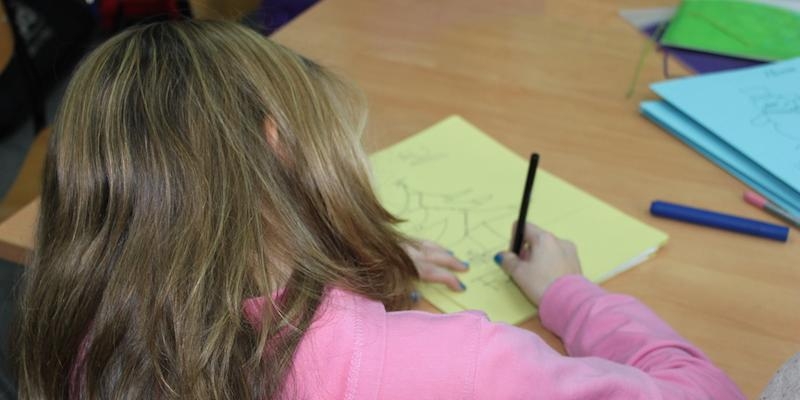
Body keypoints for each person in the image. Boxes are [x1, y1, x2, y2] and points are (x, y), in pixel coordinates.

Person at [14, 20, 745, 399]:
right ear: (281, 146)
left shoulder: (94, 332)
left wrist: (353, 269)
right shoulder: (463, 364)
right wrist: (572, 295)